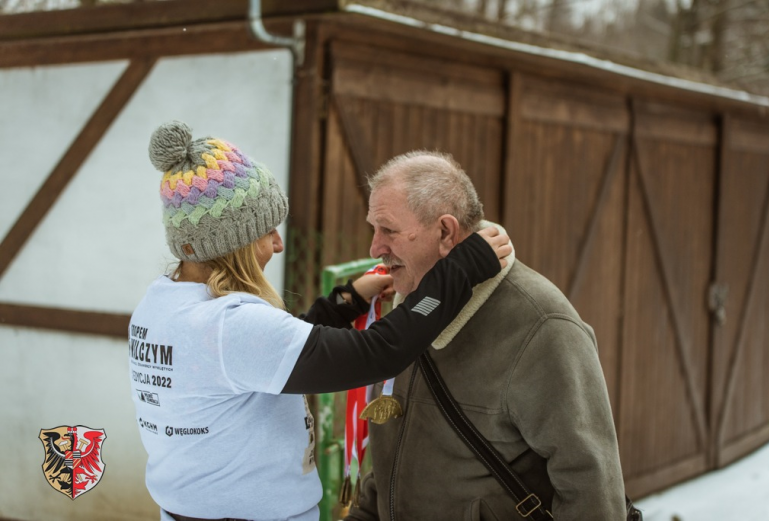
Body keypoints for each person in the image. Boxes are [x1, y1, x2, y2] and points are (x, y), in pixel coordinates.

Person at [129, 122, 510, 521]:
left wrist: (346, 301)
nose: (277, 243)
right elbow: (378, 354)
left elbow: (268, 362)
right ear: (231, 244)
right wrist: (459, 272)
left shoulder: (163, 306)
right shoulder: (229, 327)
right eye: (265, 232)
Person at [345, 151, 627, 521]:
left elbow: (592, 490)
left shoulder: (543, 325)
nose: (375, 248)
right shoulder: (408, 308)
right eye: (374, 229)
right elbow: (389, 463)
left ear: (445, 232)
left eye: (389, 230)